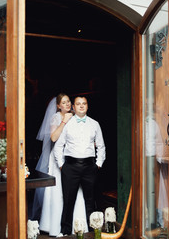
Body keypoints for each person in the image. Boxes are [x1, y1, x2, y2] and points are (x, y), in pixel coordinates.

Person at [33, 93, 87, 237]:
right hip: (58, 158)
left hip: (74, 156)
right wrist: (64, 121)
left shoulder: (77, 115)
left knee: (77, 189)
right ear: (58, 106)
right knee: (59, 191)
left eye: (68, 101)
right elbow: (54, 137)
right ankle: (56, 226)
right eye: (64, 102)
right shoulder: (56, 117)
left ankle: (77, 224)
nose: (67, 104)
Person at [54, 96, 106, 236]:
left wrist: (98, 165)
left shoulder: (95, 124)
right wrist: (61, 166)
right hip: (70, 167)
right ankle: (65, 232)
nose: (81, 106)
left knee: (91, 201)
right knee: (68, 200)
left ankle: (93, 231)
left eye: (84, 104)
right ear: (74, 107)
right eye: (78, 104)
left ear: (87, 106)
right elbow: (58, 147)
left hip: (90, 167)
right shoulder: (68, 124)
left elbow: (101, 147)